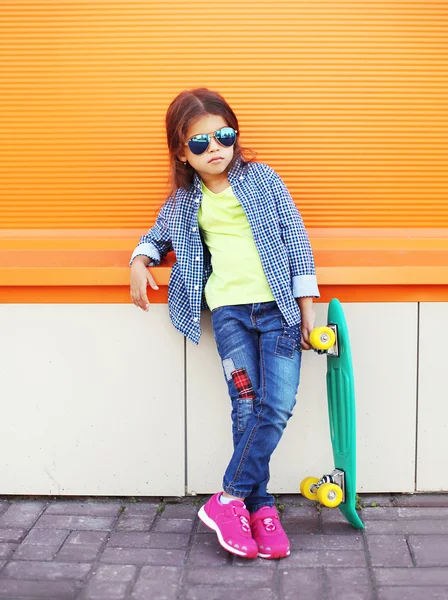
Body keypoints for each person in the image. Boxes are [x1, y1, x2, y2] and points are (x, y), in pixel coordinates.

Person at [130, 88, 320, 560]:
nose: (214, 147)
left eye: (223, 135)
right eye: (199, 142)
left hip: (278, 310)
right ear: (181, 152)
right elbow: (157, 237)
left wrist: (306, 305)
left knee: (276, 405)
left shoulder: (262, 180)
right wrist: (139, 259)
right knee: (246, 405)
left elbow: (295, 237)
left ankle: (228, 497)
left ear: (235, 136)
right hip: (231, 315)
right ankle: (259, 508)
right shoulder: (183, 202)